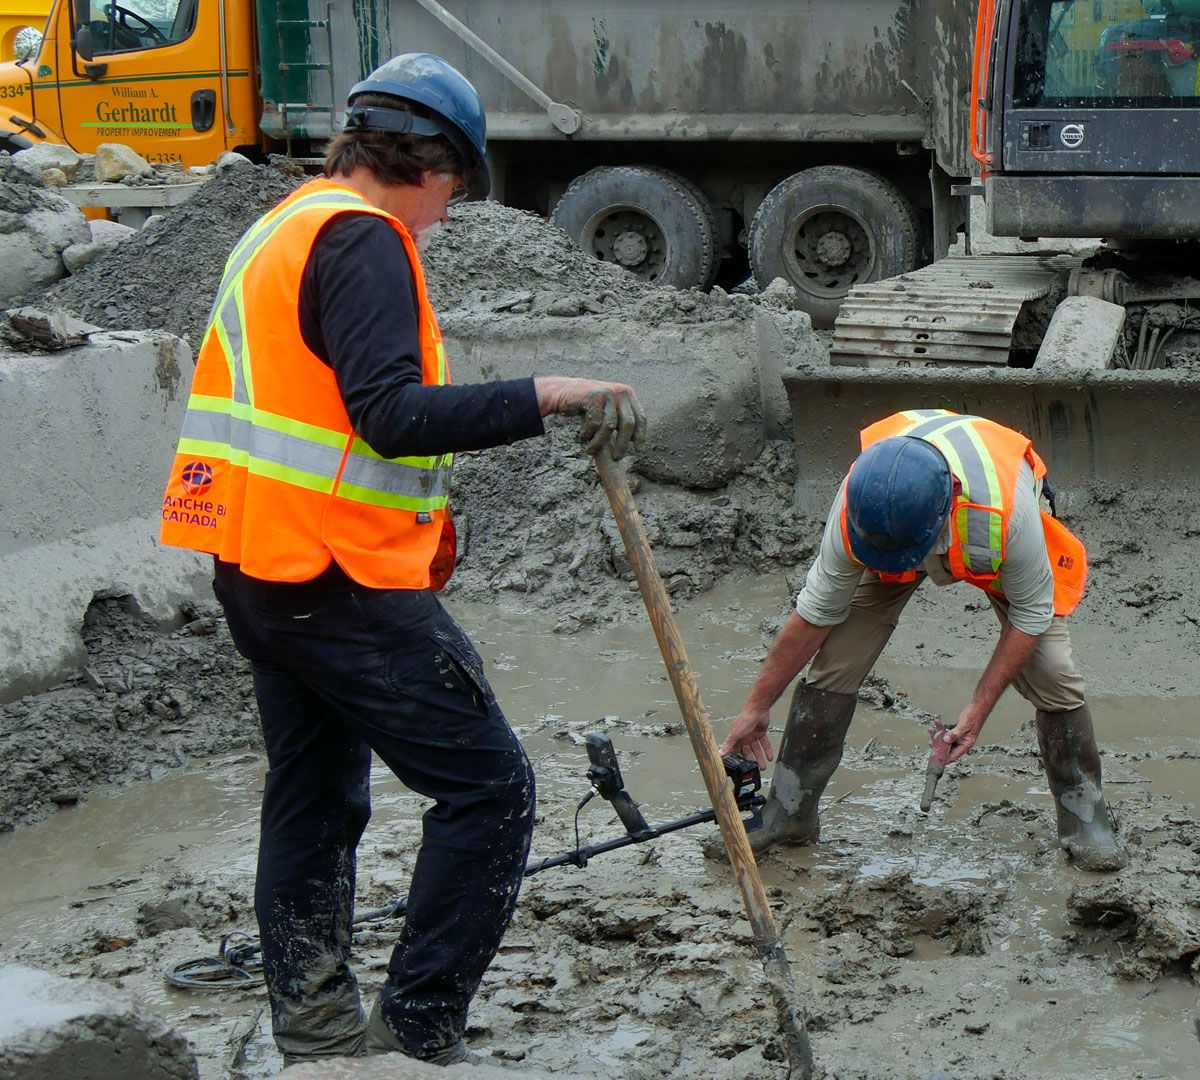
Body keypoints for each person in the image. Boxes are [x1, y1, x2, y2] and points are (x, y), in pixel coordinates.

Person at [156, 53, 642, 1066]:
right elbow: (389, 416)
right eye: (455, 184)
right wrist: (539, 394)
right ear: (424, 160)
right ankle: (417, 1029)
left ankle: (318, 1018)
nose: (450, 211)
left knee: (315, 791)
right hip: (331, 577)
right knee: (490, 789)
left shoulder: (284, 225)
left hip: (258, 561)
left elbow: (318, 413)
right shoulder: (364, 240)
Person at [719, 408, 1126, 870]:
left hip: (985, 536)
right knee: (837, 657)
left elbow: (1031, 615)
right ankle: (788, 812)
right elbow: (815, 613)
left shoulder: (1007, 512)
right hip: (900, 533)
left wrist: (978, 708)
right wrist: (756, 707)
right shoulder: (860, 504)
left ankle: (1084, 819)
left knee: (1054, 672)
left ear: (950, 500)